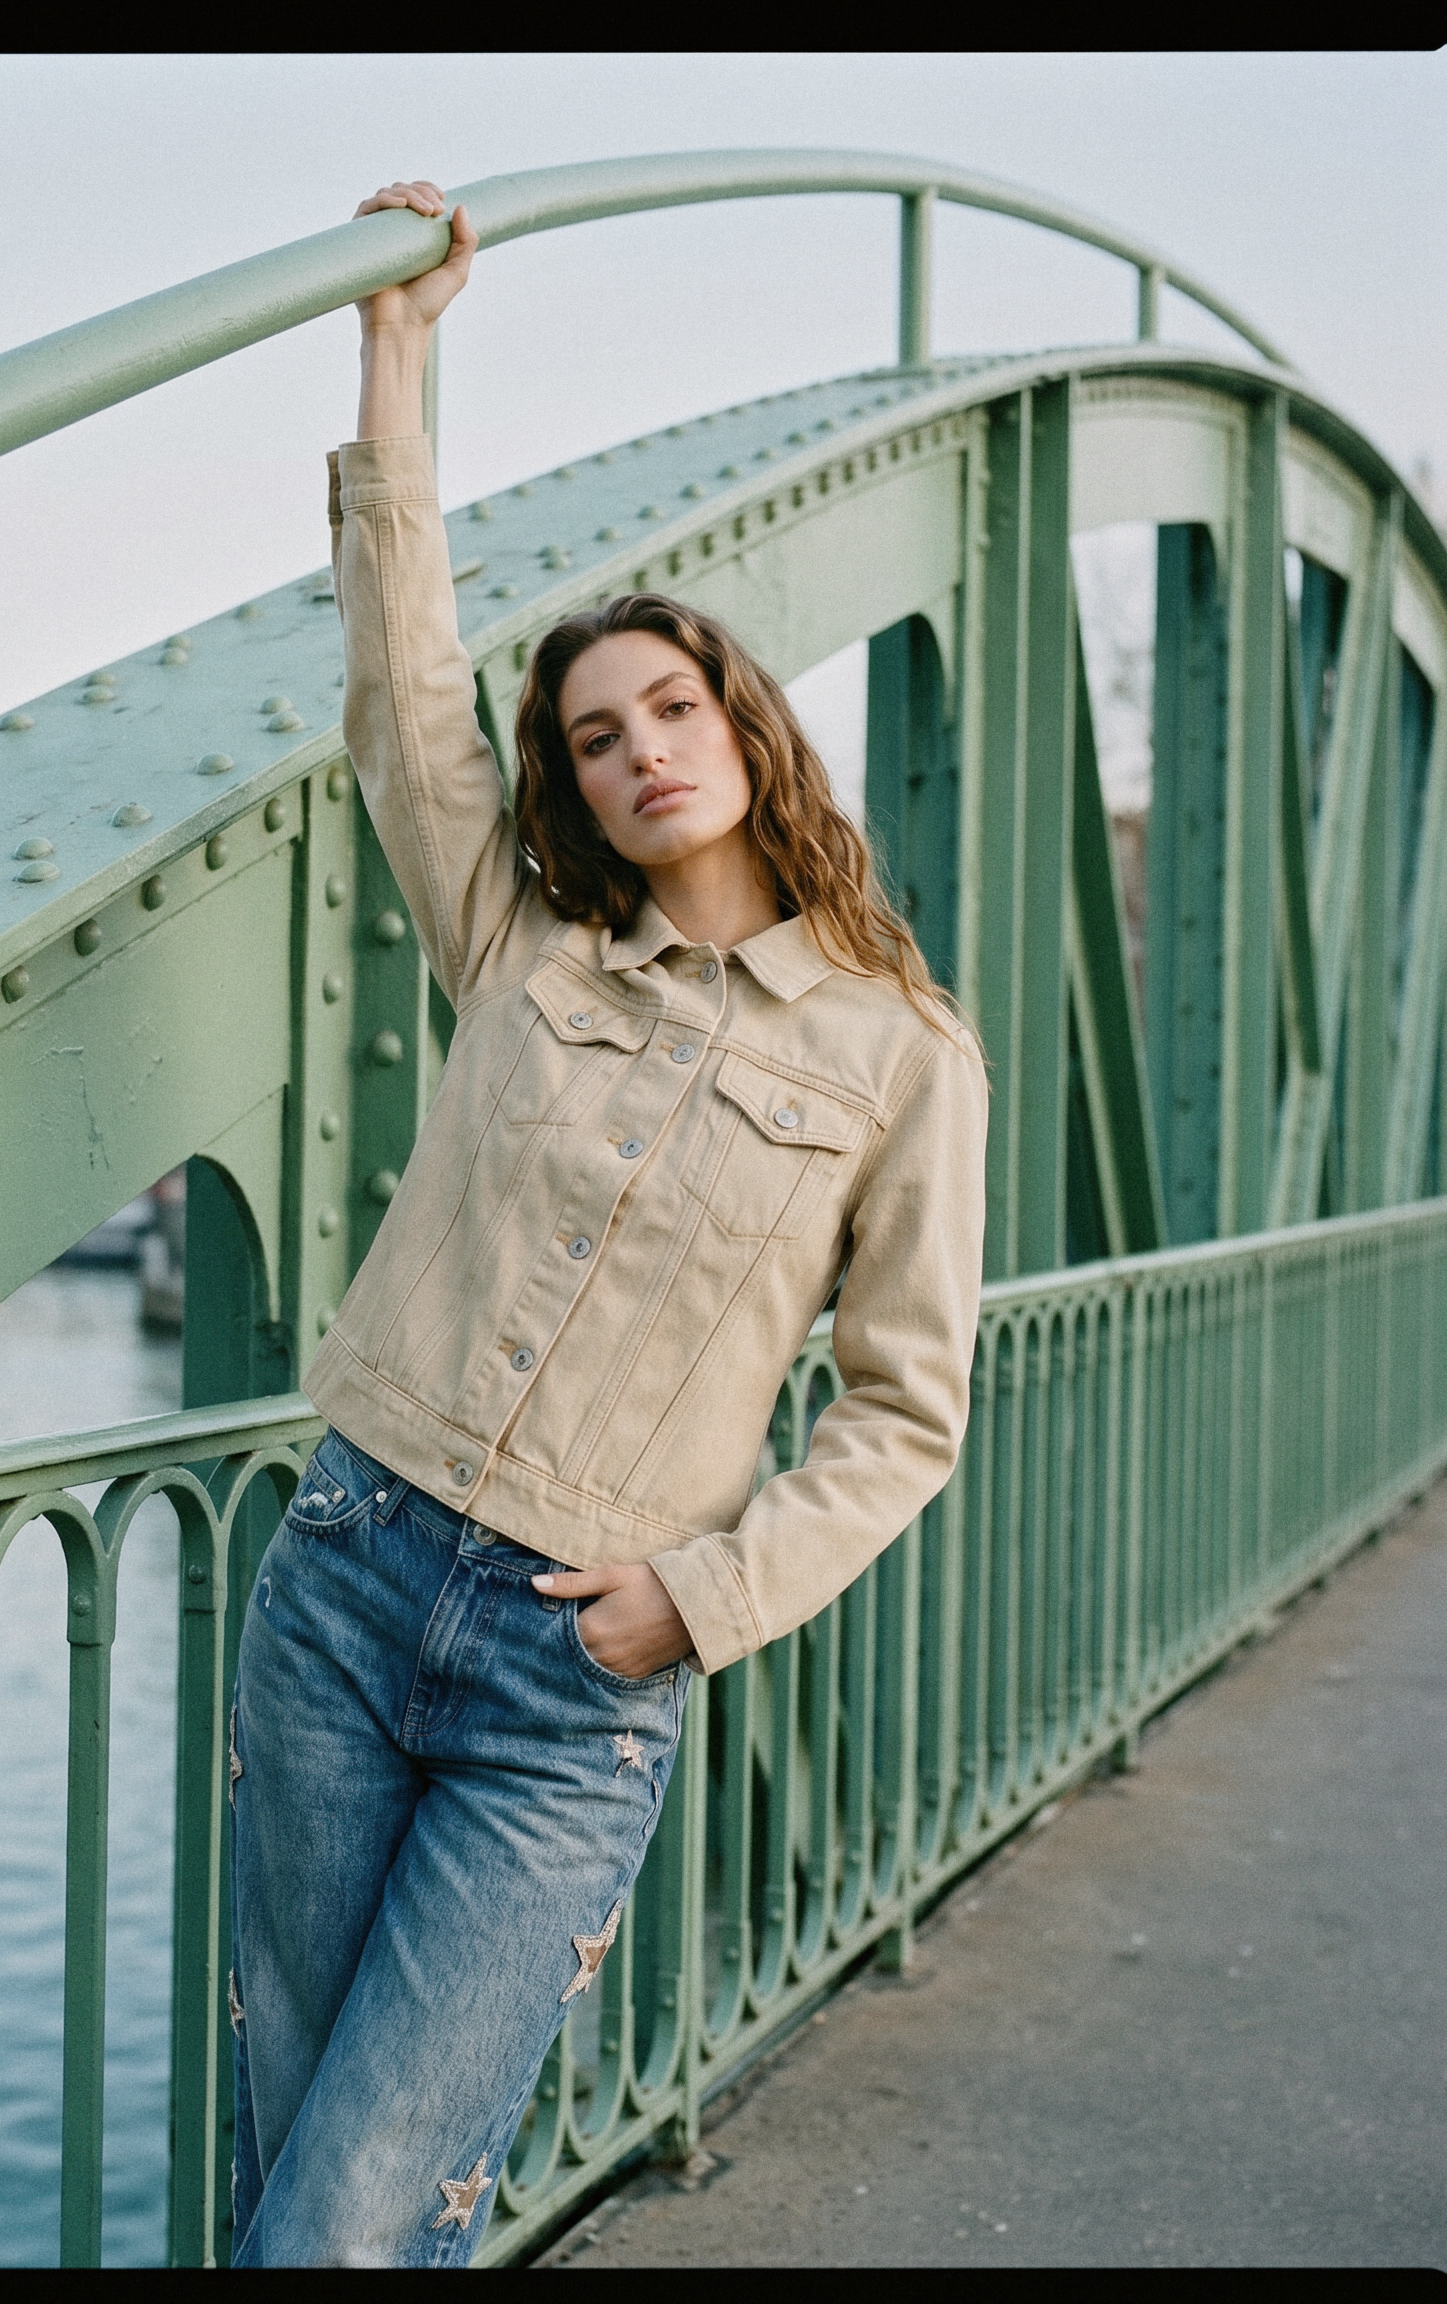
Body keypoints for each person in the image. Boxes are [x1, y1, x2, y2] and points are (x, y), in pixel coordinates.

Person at [227, 181, 988, 2269]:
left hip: (576, 1670)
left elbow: (907, 1414)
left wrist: (706, 1598)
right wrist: (399, 350)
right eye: (591, 734)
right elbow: (401, 694)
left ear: (742, 729)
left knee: (361, 2211)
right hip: (351, 1580)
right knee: (293, 2169)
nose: (635, 750)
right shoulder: (526, 947)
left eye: (668, 709)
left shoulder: (904, 1057)